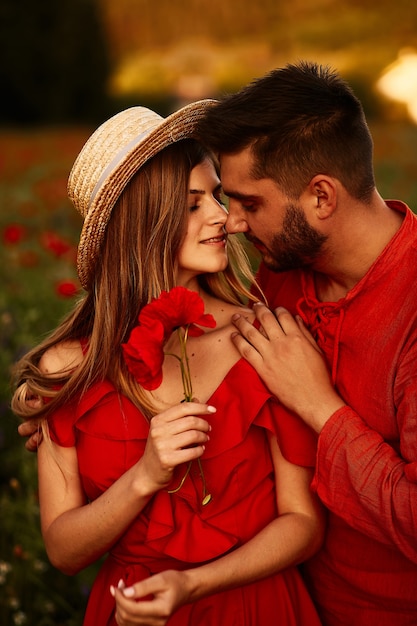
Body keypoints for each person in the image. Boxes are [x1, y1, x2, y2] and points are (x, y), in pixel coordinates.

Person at [12, 101, 325, 625]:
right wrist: (145, 475)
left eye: (217, 198)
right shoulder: (68, 367)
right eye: (193, 204)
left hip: (254, 606)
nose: (224, 218)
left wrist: (192, 584)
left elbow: (303, 523)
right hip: (135, 613)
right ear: (144, 224)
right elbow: (64, 551)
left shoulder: (261, 338)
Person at [195, 60, 417, 626]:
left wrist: (319, 405)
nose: (234, 223)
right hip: (286, 598)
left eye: (249, 203)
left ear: (321, 196)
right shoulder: (283, 270)